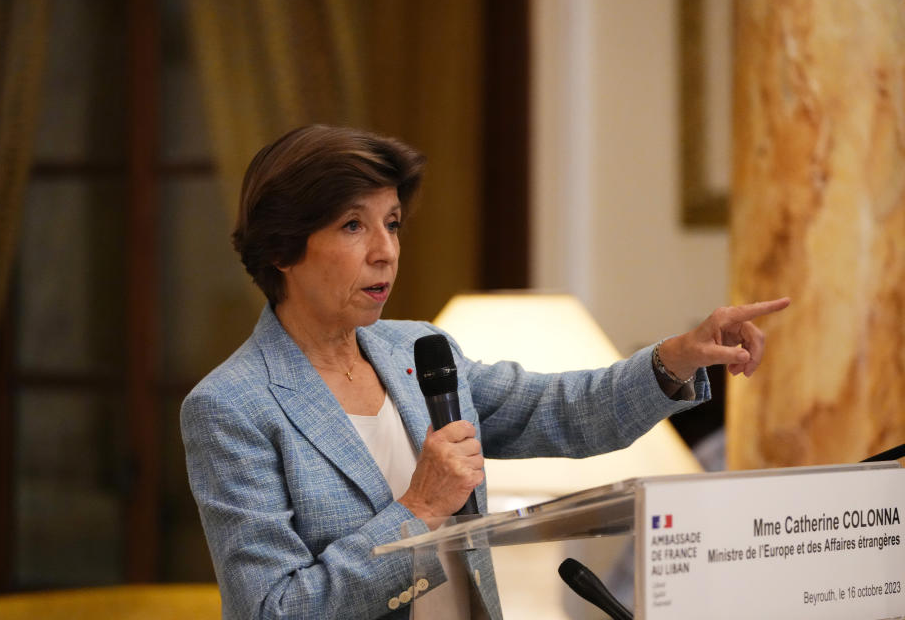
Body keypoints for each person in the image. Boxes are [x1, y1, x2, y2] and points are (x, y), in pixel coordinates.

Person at [180, 124, 789, 619]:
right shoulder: (232, 406)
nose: (385, 249)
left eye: (391, 222)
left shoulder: (419, 350)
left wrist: (678, 355)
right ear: (283, 248)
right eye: (352, 225)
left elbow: (567, 413)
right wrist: (419, 509)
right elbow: (273, 609)